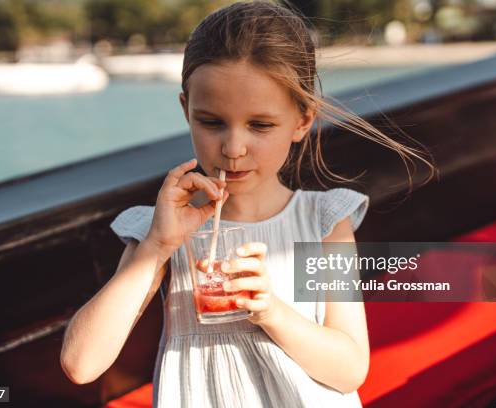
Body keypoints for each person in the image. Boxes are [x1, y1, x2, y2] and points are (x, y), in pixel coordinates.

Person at [60, 1, 434, 407]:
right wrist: (156, 247)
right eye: (211, 122)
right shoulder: (161, 232)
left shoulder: (323, 222)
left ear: (303, 120)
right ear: (187, 110)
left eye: (260, 125)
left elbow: (349, 370)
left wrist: (271, 310)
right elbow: (81, 364)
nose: (233, 148)